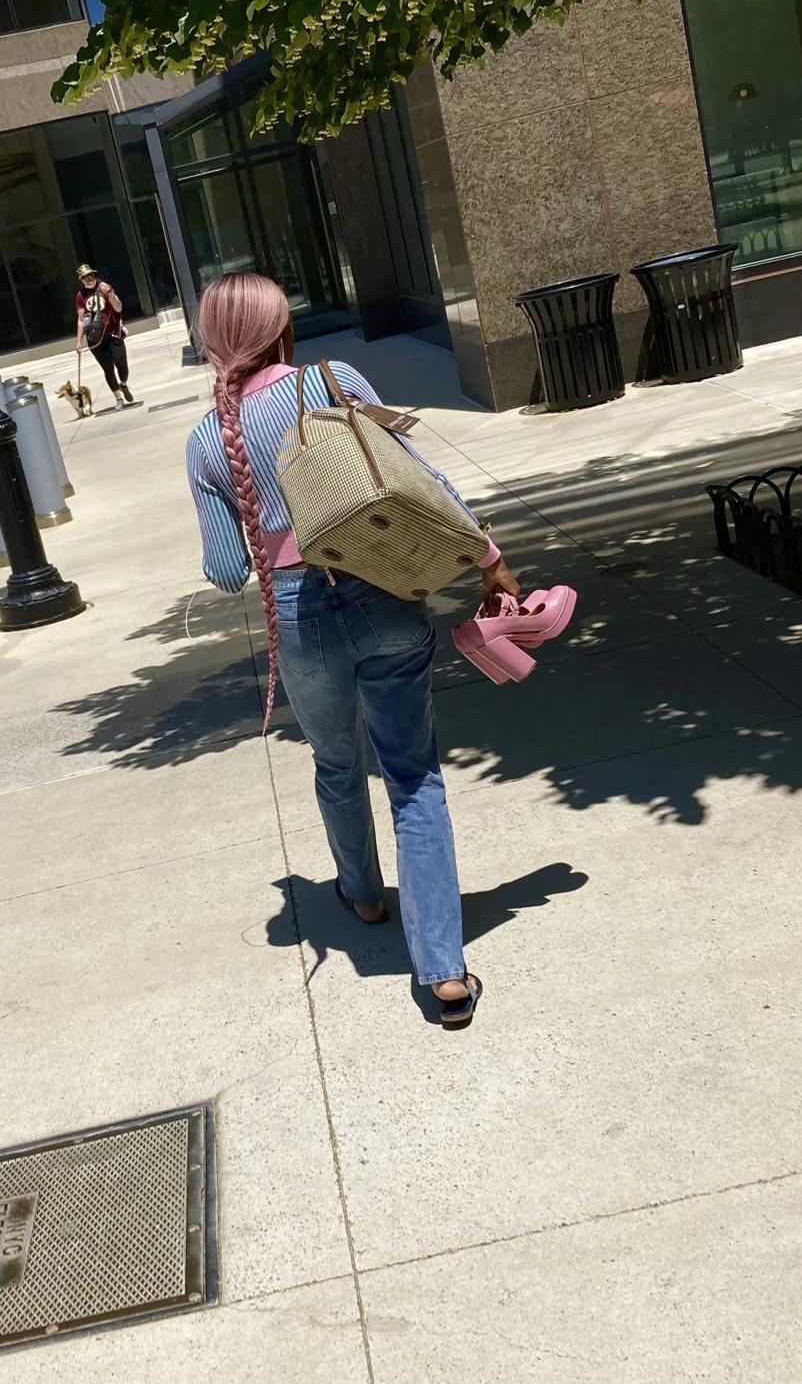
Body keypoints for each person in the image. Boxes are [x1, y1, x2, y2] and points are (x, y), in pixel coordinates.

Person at [185, 270, 520, 1030]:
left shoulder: (208, 440)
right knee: (413, 775)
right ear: (279, 329)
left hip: (300, 620)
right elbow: (420, 481)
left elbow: (228, 569)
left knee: (336, 763)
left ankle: (363, 893)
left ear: (212, 341)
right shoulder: (332, 380)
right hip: (381, 591)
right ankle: (443, 975)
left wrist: (247, 513)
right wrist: (489, 557)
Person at [75, 264, 137, 407]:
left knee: (121, 363)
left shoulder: (104, 287)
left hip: (113, 332)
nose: (88, 279)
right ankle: (119, 399)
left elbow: (119, 307)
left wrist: (109, 293)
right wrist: (78, 342)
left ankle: (123, 384)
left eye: (90, 275)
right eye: (84, 277)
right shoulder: (80, 296)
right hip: (95, 338)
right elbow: (80, 320)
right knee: (108, 368)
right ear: (81, 280)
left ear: (94, 275)